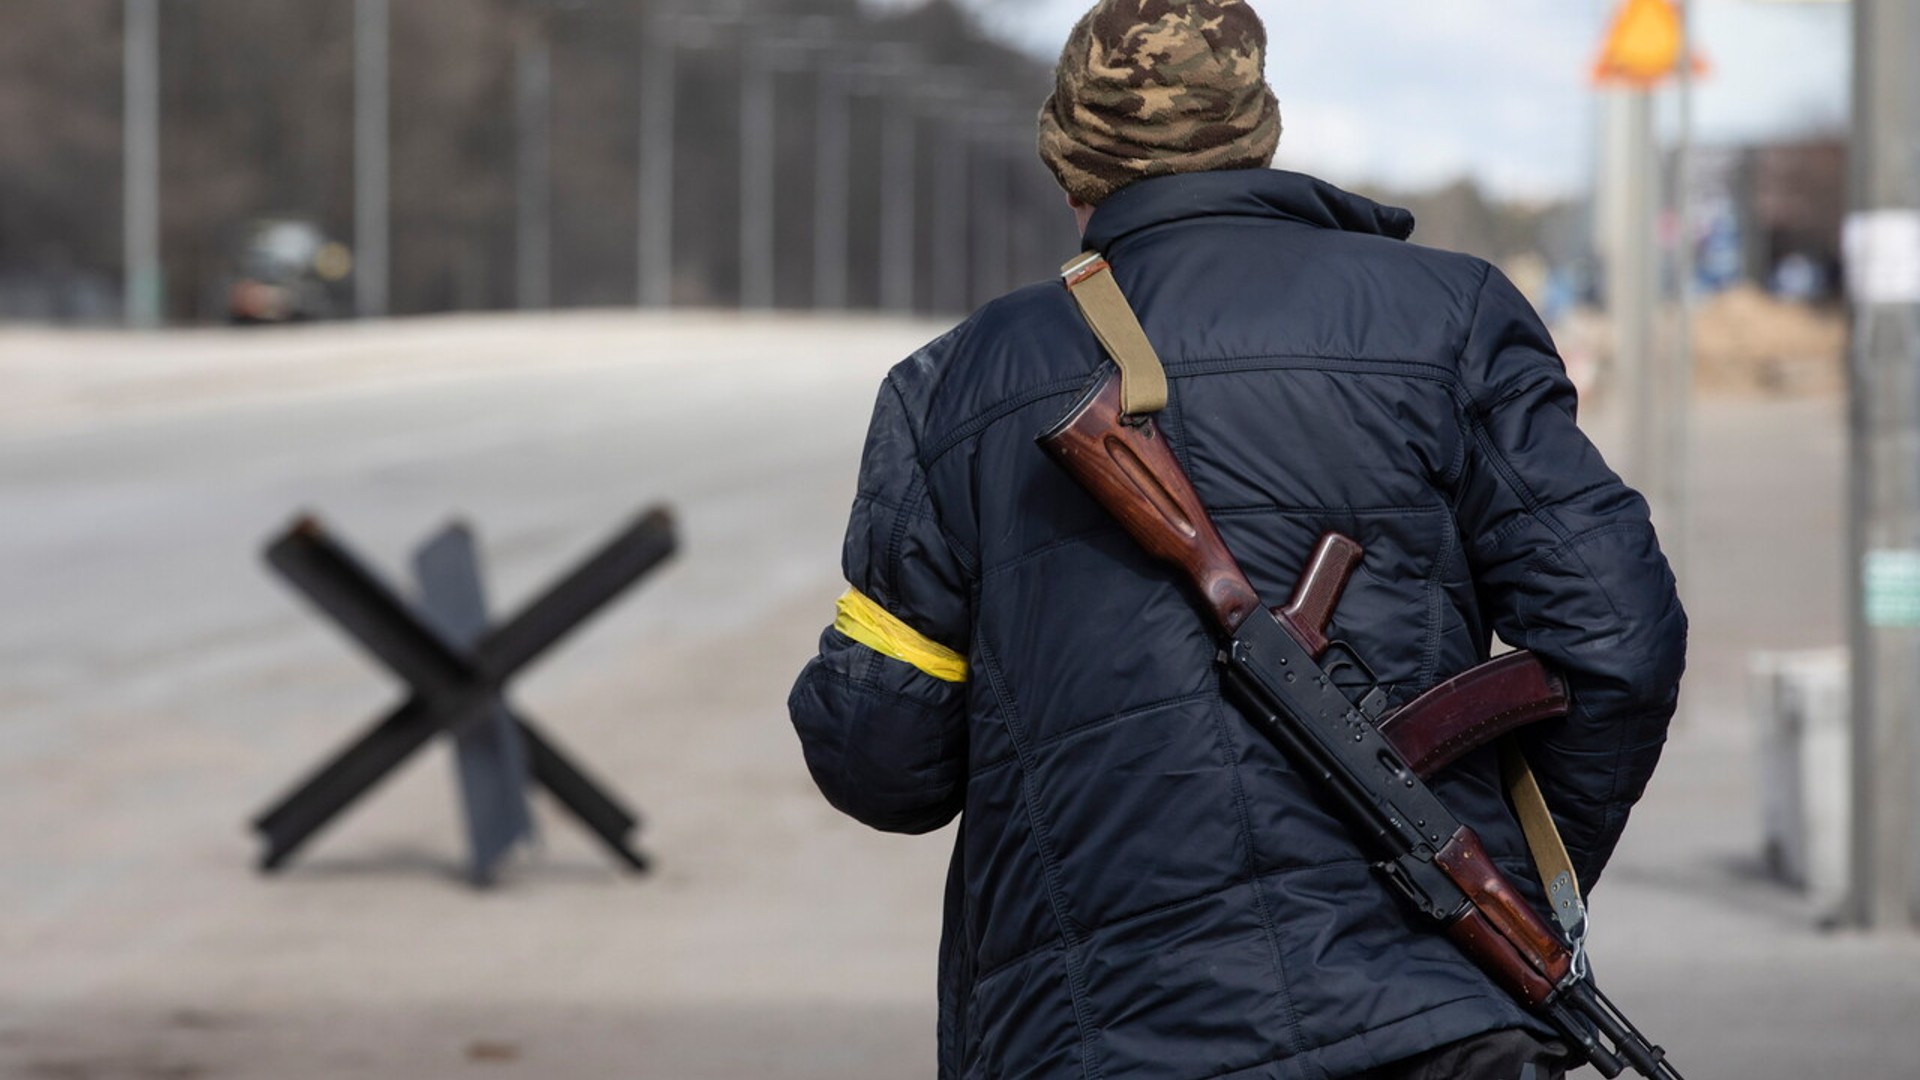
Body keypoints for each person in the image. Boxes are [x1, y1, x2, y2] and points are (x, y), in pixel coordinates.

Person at [787, 2, 1687, 1077]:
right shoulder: (1449, 315)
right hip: (1429, 1025)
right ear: (1259, 131)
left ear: (1069, 166)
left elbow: (882, 760)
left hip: (1095, 1037)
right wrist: (1487, 881)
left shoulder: (954, 383)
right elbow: (1619, 634)